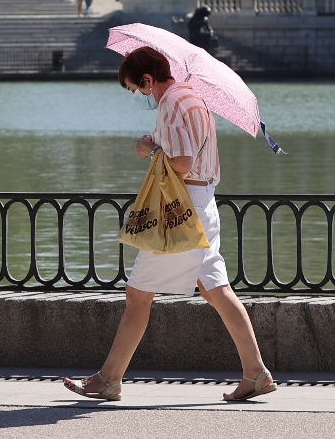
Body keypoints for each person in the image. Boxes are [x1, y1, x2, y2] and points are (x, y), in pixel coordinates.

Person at [63, 45, 276, 404]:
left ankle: (109, 379)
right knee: (216, 291)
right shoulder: (193, 99)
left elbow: (181, 162)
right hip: (202, 204)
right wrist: (158, 142)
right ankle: (256, 372)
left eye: (136, 88)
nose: (137, 95)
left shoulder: (173, 103)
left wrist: (150, 148)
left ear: (148, 79)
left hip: (181, 211)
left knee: (138, 295)